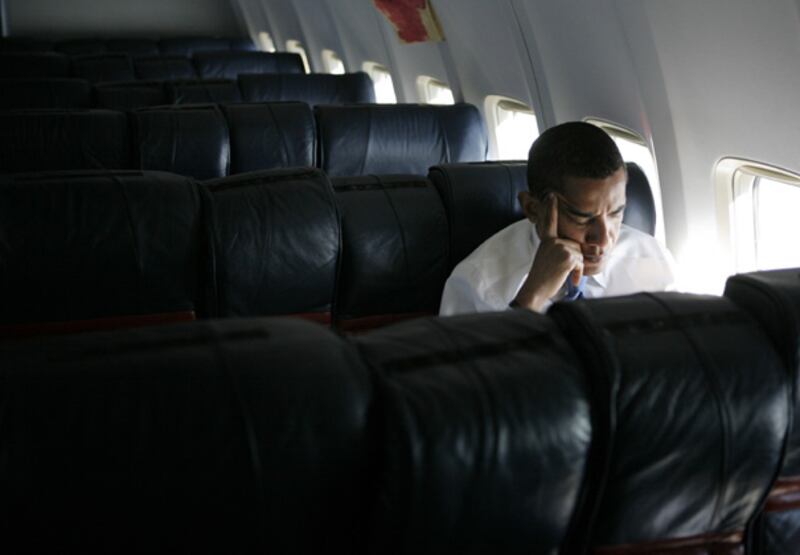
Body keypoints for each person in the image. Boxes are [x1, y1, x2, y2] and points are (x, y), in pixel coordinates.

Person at [439, 121, 676, 315]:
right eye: (582, 218)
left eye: (615, 213)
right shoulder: (477, 283)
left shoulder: (653, 261)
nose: (604, 239)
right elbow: (473, 362)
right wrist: (532, 297)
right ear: (533, 209)